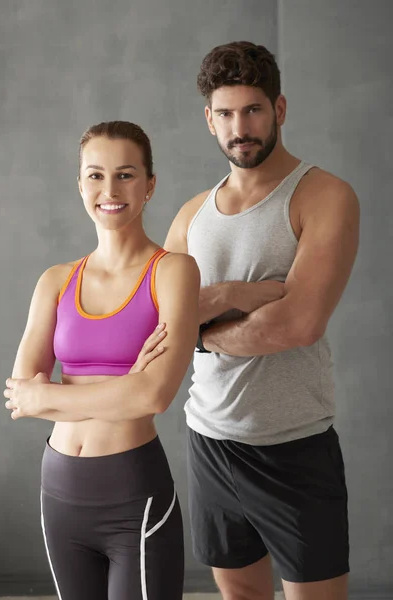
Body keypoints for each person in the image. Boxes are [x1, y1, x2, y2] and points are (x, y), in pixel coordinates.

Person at [164, 42, 360, 600]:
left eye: (252, 110)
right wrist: (246, 295)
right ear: (209, 119)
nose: (239, 126)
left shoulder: (323, 196)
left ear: (279, 109)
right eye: (225, 114)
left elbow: (296, 326)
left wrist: (202, 318)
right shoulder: (191, 215)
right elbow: (153, 326)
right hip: (209, 440)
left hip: (294, 445)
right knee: (241, 595)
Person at [4, 120, 200, 600]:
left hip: (133, 494)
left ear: (150, 184)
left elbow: (156, 394)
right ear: (80, 184)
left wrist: (56, 394)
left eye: (126, 174)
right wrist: (125, 386)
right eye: (95, 175)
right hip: (59, 493)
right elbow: (20, 397)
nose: (109, 190)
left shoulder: (173, 271)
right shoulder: (55, 280)